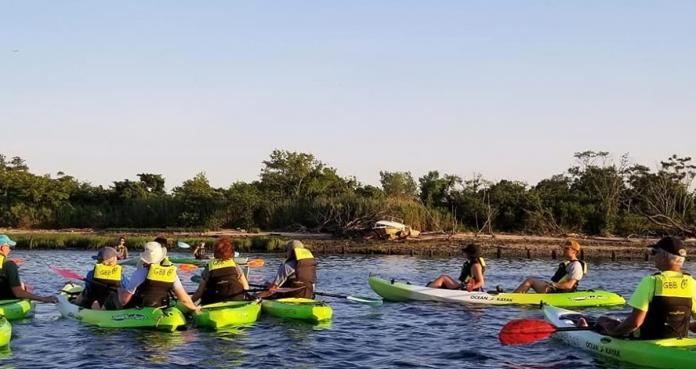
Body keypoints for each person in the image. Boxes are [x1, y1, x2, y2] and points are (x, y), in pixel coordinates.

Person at [592, 236, 696, 339]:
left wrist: (613, 332)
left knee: (602, 320)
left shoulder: (652, 281)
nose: (653, 256)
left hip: (649, 344)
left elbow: (634, 323)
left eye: (654, 252)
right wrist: (685, 326)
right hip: (681, 345)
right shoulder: (691, 283)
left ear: (664, 256)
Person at [107, 241, 199, 313]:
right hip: (162, 308)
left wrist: (119, 290)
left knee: (114, 294)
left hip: (141, 309)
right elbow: (184, 299)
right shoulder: (171, 273)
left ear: (145, 259)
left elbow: (123, 301)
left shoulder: (139, 273)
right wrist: (195, 309)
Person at [513, 239, 587, 293]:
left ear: (574, 251)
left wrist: (553, 285)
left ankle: (512, 298)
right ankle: (517, 296)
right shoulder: (568, 263)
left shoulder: (576, 265)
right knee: (530, 280)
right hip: (555, 289)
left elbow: (569, 285)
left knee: (530, 281)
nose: (564, 250)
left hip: (559, 291)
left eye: (567, 249)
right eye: (564, 248)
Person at [191, 237, 249, 304]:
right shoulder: (235, 266)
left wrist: (188, 303)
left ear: (215, 252)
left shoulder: (209, 267)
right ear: (231, 252)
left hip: (214, 302)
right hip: (236, 300)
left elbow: (199, 293)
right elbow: (246, 287)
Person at [0, 234, 57, 303]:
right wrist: (43, 298)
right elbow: (18, 293)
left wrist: (12, 264)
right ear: (2, 248)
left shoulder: (9, 264)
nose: (10, 250)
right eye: (9, 247)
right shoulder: (9, 264)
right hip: (5, 302)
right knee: (26, 287)